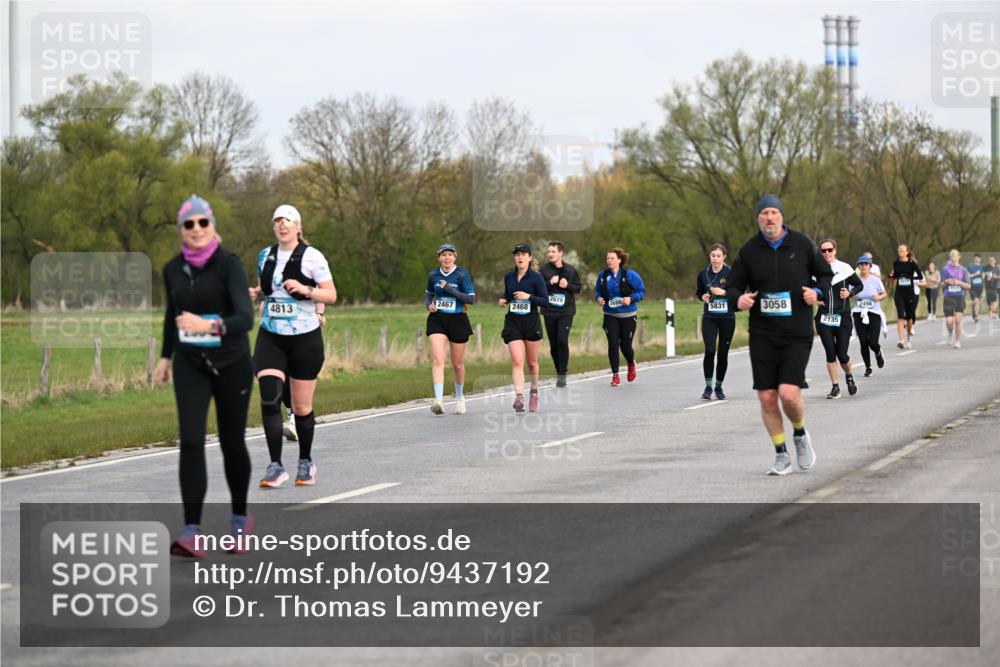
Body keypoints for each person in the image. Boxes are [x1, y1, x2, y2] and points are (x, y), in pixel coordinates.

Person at [154, 195, 254, 557]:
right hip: (190, 363)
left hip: (232, 363)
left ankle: (240, 521)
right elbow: (172, 314)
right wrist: (165, 357)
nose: (196, 229)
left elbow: (246, 318)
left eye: (203, 223)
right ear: (181, 230)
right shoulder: (172, 268)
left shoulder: (229, 264)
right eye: (189, 224)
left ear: (212, 225)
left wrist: (208, 324)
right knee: (192, 441)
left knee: (231, 441)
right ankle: (191, 530)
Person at [726, 194, 832, 476]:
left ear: (781, 216)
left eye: (774, 212)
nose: (769, 218)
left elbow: (825, 275)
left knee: (788, 393)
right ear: (758, 218)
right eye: (764, 213)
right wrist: (738, 300)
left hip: (797, 332)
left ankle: (799, 434)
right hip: (762, 332)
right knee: (767, 397)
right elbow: (733, 287)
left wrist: (817, 292)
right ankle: (780, 453)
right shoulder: (749, 251)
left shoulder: (802, 244)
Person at [250, 205, 336, 488]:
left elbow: (332, 294)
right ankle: (275, 466)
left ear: (298, 227)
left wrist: (307, 291)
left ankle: (306, 462)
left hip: (304, 339)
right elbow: (265, 290)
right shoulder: (266, 255)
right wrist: (253, 293)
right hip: (271, 336)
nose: (282, 226)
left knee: (301, 407)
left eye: (287, 222)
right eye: (277, 222)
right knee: (269, 398)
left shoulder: (312, 257)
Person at [425, 243, 476, 415]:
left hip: (458, 319)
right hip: (437, 319)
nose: (446, 258)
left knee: (457, 364)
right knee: (438, 359)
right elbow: (429, 294)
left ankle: (460, 397)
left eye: (450, 255)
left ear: (455, 257)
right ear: (439, 257)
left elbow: (471, 299)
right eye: (443, 255)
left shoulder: (462, 275)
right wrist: (428, 306)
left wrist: (449, 289)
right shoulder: (433, 274)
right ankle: (438, 400)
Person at [499, 244, 548, 412]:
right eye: (517, 255)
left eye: (523, 254)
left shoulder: (536, 278)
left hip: (531, 322)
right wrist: (503, 300)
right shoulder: (509, 277)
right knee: (517, 361)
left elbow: (545, 301)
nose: (519, 257)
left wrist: (529, 296)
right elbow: (507, 295)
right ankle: (519, 396)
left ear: (529, 258)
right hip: (513, 322)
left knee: (532, 363)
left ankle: (534, 391)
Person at [815, 239, 863, 399]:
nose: (827, 253)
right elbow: (808, 288)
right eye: (823, 251)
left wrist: (850, 293)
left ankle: (848, 374)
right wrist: (815, 297)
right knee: (830, 353)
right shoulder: (815, 269)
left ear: (835, 250)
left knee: (842, 355)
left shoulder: (844, 267)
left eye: (829, 250)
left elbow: (859, 285)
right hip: (824, 317)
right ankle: (835, 387)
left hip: (842, 317)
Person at [596, 247, 645, 386]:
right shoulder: (603, 275)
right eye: (607, 258)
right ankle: (615, 375)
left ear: (619, 260)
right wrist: (599, 299)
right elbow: (598, 292)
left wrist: (631, 298)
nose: (609, 260)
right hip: (610, 314)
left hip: (628, 315)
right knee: (612, 343)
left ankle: (631, 363)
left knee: (625, 346)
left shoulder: (630, 275)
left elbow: (641, 292)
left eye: (612, 258)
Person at [540, 241, 582, 388]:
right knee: (553, 344)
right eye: (549, 252)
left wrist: (567, 285)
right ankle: (558, 371)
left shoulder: (570, 270)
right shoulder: (544, 270)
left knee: (562, 340)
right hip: (549, 311)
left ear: (561, 253)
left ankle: (562, 374)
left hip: (566, 311)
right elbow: (538, 289)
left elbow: (578, 288)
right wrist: (550, 283)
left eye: (553, 251)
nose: (550, 254)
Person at [695, 244, 735, 400]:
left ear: (724, 257)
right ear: (709, 256)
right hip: (710, 317)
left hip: (727, 318)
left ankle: (718, 387)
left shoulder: (731, 273)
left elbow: (737, 292)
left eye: (718, 256)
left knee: (723, 354)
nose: (715, 259)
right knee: (710, 350)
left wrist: (724, 292)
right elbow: (699, 292)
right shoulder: (703, 274)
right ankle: (708, 386)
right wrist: (702, 297)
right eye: (713, 255)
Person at [851, 257, 888, 377]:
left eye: (866, 264)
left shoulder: (875, 280)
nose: (863, 266)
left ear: (870, 266)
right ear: (858, 267)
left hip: (874, 313)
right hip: (859, 312)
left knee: (872, 342)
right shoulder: (855, 281)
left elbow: (884, 293)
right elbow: (850, 293)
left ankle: (878, 352)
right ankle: (868, 367)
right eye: (861, 264)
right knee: (863, 342)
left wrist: (879, 297)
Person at [889, 244, 924, 348]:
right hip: (899, 292)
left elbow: (920, 276)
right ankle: (901, 340)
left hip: (910, 293)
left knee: (908, 318)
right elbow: (894, 276)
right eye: (899, 251)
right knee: (900, 316)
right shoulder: (895, 263)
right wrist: (891, 276)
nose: (901, 253)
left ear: (907, 252)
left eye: (903, 251)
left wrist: (910, 278)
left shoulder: (912, 263)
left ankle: (908, 338)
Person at [941, 249, 972, 349]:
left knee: (958, 320)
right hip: (948, 297)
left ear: (959, 257)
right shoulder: (945, 269)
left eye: (955, 255)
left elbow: (968, 286)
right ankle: (950, 332)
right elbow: (940, 284)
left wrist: (960, 283)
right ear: (950, 257)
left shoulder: (963, 270)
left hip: (959, 297)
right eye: (951, 255)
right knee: (949, 322)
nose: (953, 256)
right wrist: (946, 281)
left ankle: (957, 341)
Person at [967, 254, 985, 323]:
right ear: (974, 258)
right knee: (975, 300)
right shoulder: (970, 266)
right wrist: (975, 274)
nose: (977, 259)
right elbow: (968, 275)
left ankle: (975, 314)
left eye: (979, 258)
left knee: (978, 301)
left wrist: (983, 276)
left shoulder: (982, 266)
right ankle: (975, 314)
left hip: (980, 286)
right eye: (976, 258)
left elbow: (984, 274)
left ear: (980, 259)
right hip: (972, 286)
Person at [986, 256, 999, 320]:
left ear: (995, 261)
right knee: (989, 302)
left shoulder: (997, 268)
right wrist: (986, 277)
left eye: (992, 260)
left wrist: (995, 277)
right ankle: (990, 312)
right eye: (990, 260)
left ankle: (993, 313)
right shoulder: (987, 268)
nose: (991, 261)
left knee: (994, 301)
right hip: (988, 287)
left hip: (994, 287)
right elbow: (984, 276)